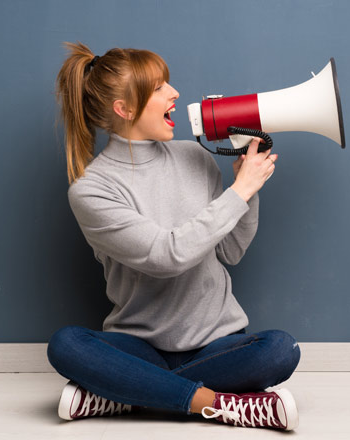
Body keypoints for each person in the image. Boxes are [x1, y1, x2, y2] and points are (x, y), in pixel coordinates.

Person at [46, 42, 301, 431]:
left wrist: (248, 189)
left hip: (217, 343)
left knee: (281, 350)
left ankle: (127, 394)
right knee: (65, 345)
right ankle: (217, 404)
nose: (175, 94)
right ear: (125, 109)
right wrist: (239, 193)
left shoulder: (195, 157)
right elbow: (167, 257)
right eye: (160, 87)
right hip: (139, 348)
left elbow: (231, 251)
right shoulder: (92, 190)